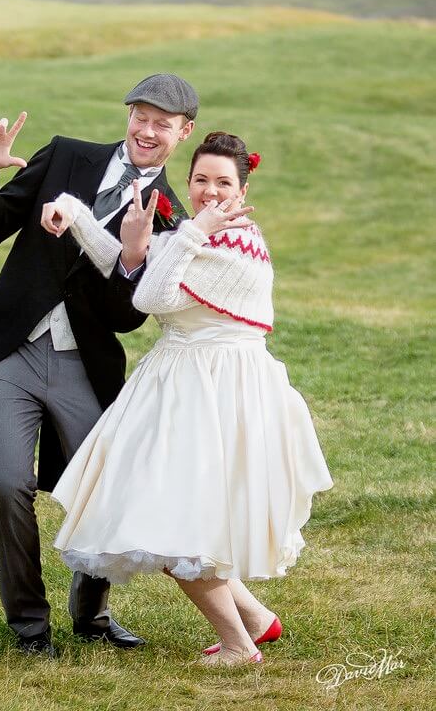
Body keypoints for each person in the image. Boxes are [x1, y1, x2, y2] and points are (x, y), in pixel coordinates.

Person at [0, 74, 199, 656]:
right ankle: (29, 625)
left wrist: (130, 254)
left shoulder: (173, 216)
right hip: (9, 352)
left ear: (184, 132)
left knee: (102, 490)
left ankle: (91, 614)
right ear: (127, 116)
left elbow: (128, 318)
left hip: (85, 362)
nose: (147, 131)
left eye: (163, 123)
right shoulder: (66, 155)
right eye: (140, 116)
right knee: (6, 482)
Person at [41, 131, 333, 667]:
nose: (209, 192)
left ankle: (238, 647)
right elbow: (130, 264)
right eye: (200, 180)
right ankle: (258, 621)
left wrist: (188, 232)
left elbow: (149, 296)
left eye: (224, 182)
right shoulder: (199, 235)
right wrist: (73, 211)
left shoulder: (234, 243)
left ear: (244, 189)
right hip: (182, 381)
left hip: (215, 390)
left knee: (175, 526)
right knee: (180, 514)